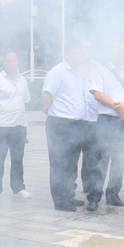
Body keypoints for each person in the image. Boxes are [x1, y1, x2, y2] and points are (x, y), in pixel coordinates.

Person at [43, 40, 102, 211]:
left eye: (79, 53)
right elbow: (46, 93)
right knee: (60, 163)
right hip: (61, 124)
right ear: (66, 54)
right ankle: (60, 200)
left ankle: (69, 195)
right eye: (73, 53)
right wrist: (52, 107)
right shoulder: (58, 71)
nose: (77, 56)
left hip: (78, 124)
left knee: (71, 163)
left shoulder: (79, 72)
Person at [90, 42, 124, 207]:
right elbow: (97, 94)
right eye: (117, 49)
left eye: (123, 49)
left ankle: (113, 194)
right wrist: (117, 107)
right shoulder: (100, 70)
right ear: (110, 51)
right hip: (107, 120)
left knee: (120, 159)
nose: (120, 52)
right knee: (101, 160)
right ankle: (94, 197)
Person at [0, 51, 31, 202]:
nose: (12, 63)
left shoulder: (23, 80)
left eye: (14, 61)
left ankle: (18, 188)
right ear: (4, 63)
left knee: (18, 158)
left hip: (19, 125)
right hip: (1, 125)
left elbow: (24, 102)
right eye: (9, 61)